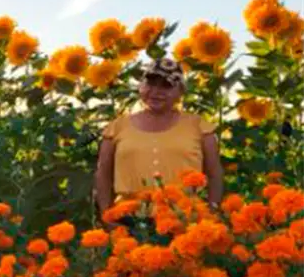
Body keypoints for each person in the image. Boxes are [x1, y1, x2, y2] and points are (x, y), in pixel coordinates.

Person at [95, 57, 223, 220]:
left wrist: (212, 212)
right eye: (151, 84)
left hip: (185, 220)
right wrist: (106, 215)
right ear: (141, 86)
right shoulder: (116, 128)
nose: (156, 92)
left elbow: (214, 174)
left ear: (180, 91)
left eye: (166, 86)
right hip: (129, 220)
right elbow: (103, 174)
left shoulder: (199, 127)